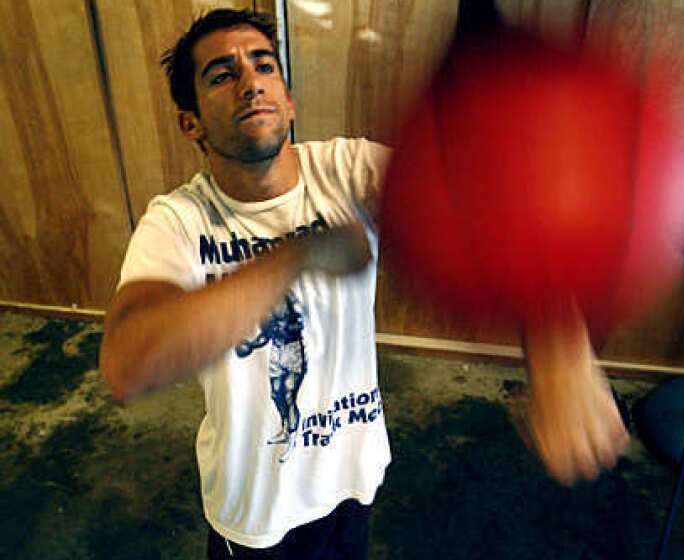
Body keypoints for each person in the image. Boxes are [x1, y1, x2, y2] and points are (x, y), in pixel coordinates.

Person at [99, 8, 628, 559]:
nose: (251, 81)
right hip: (256, 511)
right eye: (222, 74)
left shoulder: (349, 170)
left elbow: (493, 210)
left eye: (263, 66)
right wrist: (297, 255)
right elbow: (128, 361)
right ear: (191, 123)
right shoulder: (179, 221)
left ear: (289, 99)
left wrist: (559, 343)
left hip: (352, 478)